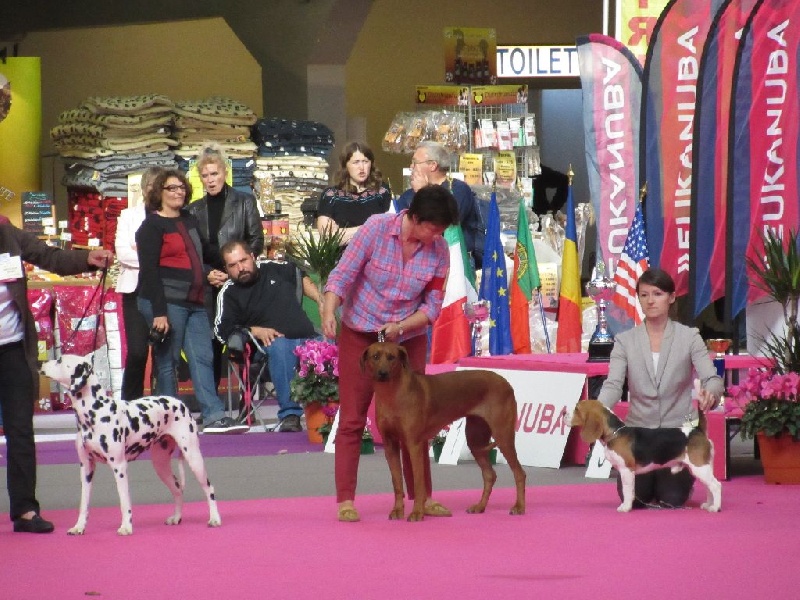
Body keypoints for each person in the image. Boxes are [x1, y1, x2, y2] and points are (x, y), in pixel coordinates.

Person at [321, 184, 459, 522]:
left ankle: (421, 498)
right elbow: (342, 276)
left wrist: (403, 325)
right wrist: (328, 310)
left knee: (417, 422)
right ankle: (345, 500)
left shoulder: (439, 251)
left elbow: (433, 305)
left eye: (442, 231)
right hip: (361, 332)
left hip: (406, 339)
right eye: (434, 228)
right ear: (415, 217)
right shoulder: (375, 229)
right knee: (353, 418)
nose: (438, 235)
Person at [0, 214, 113, 533]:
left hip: (13, 347)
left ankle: (24, 509)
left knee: (20, 430)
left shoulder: (8, 233)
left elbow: (49, 255)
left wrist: (87, 259)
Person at [597, 267, 724, 508]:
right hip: (639, 438)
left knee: (672, 499)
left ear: (672, 297)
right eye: (644, 295)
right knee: (636, 499)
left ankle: (680, 478)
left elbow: (712, 378)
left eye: (657, 294)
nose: (650, 301)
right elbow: (613, 385)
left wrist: (712, 392)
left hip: (676, 437)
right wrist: (597, 410)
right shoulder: (625, 341)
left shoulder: (690, 337)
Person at [136, 168, 247, 434]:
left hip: (195, 300)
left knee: (203, 356)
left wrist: (219, 267)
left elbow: (201, 254)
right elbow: (149, 272)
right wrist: (159, 314)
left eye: (181, 188)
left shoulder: (188, 220)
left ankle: (213, 415)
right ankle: (168, 421)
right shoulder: (150, 226)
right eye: (171, 188)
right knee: (167, 361)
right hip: (164, 301)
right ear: (158, 193)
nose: (178, 193)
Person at [213, 240, 320, 432]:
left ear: (253, 256)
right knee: (281, 346)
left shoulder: (275, 268)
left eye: (243, 260)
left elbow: (298, 274)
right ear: (226, 269)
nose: (241, 268)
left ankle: (336, 413)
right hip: (268, 348)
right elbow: (222, 331)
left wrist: (321, 301)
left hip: (308, 338)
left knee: (330, 346)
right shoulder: (228, 292)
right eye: (233, 265)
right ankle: (290, 415)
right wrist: (254, 330)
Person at [186, 141, 265, 387]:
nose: (210, 180)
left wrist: (234, 271)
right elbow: (192, 252)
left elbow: (256, 241)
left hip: (239, 282)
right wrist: (209, 273)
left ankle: (247, 402)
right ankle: (213, 408)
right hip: (207, 284)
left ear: (225, 172)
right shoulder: (192, 210)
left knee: (243, 342)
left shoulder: (244, 201)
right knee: (209, 344)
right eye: (205, 175)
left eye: (215, 174)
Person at [395, 141, 484, 269]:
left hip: (455, 262)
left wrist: (422, 192)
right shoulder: (409, 195)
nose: (411, 167)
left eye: (415, 162)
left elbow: (447, 226)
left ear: (432, 165)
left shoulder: (458, 189)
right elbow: (400, 226)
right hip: (418, 260)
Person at [114, 166, 163, 400]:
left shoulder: (171, 216)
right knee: (136, 351)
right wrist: (153, 257)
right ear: (143, 189)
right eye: (151, 186)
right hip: (134, 291)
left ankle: (159, 403)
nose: (154, 191)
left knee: (164, 352)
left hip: (163, 291)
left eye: (159, 186)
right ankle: (128, 403)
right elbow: (123, 253)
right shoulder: (127, 216)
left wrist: (143, 252)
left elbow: (172, 255)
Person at [316, 141, 391, 245]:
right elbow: (329, 238)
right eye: (356, 162)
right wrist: (369, 229)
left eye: (365, 161)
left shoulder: (382, 191)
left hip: (375, 257)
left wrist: (344, 233)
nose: (361, 167)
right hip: (343, 258)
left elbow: (388, 230)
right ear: (346, 165)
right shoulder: (331, 195)